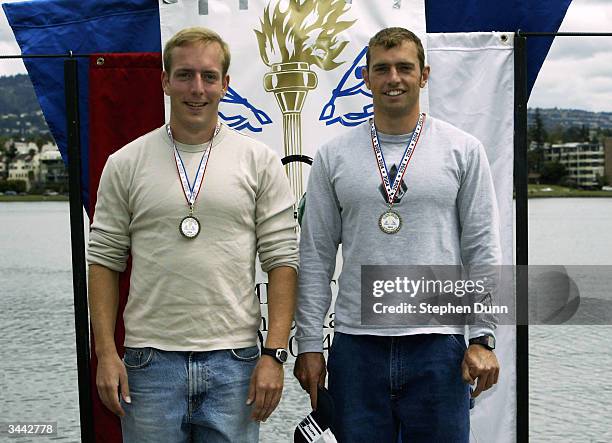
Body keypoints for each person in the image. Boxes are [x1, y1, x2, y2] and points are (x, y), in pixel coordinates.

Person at [87, 27, 298, 442]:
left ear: (226, 84)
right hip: (148, 365)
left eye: (208, 76)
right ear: (165, 81)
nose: (196, 88)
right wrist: (106, 353)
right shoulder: (125, 162)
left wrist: (274, 354)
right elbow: (104, 260)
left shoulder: (259, 161)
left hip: (235, 363)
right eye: (184, 75)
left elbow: (282, 261)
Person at [293, 27, 501, 442]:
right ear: (366, 78)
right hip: (356, 347)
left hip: (439, 347)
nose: (393, 78)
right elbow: (315, 257)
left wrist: (482, 336)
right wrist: (310, 345)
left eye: (405, 68)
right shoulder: (333, 156)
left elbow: (482, 249)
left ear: (424, 75)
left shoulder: (463, 150)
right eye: (382, 69)